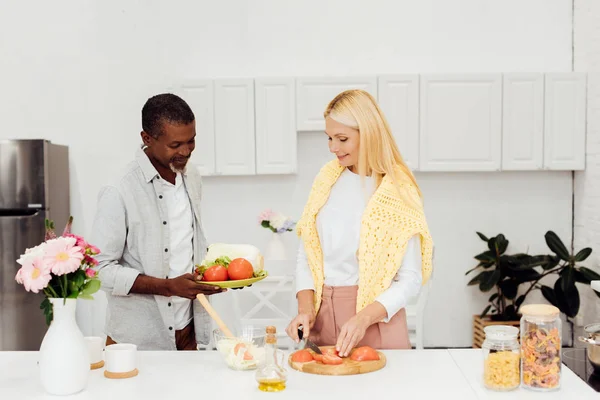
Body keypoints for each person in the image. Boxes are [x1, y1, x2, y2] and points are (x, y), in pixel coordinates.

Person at [285, 89, 434, 356]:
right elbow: (307, 253)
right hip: (323, 319)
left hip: (377, 323)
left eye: (342, 139)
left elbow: (410, 278)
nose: (333, 147)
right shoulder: (326, 179)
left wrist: (364, 317)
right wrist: (305, 311)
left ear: (369, 134)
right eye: (329, 138)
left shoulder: (398, 189)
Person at [90, 93, 225, 351]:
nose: (186, 151)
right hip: (138, 341)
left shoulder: (191, 176)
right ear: (147, 139)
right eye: (175, 145)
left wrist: (215, 276)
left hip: (189, 332)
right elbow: (98, 270)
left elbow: (185, 244)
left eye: (192, 140)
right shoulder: (119, 189)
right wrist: (167, 287)